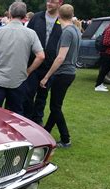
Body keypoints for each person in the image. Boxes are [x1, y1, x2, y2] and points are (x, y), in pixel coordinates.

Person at [0, 2, 45, 115]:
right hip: (19, 79)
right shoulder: (31, 33)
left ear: (10, 13)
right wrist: (28, 71)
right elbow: (41, 56)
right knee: (16, 115)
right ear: (24, 15)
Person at [39, 4, 81, 148]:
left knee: (55, 107)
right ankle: (46, 131)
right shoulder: (75, 29)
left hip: (63, 73)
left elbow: (60, 57)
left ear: (58, 15)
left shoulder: (67, 32)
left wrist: (46, 76)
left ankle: (65, 138)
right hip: (69, 73)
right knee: (56, 105)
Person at [24, 0, 63, 125]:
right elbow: (27, 37)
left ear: (60, 3)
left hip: (50, 65)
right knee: (28, 93)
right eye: (48, 1)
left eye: (52, 1)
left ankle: (37, 119)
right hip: (34, 63)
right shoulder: (37, 17)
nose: (49, 3)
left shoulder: (62, 20)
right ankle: (27, 118)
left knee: (42, 95)